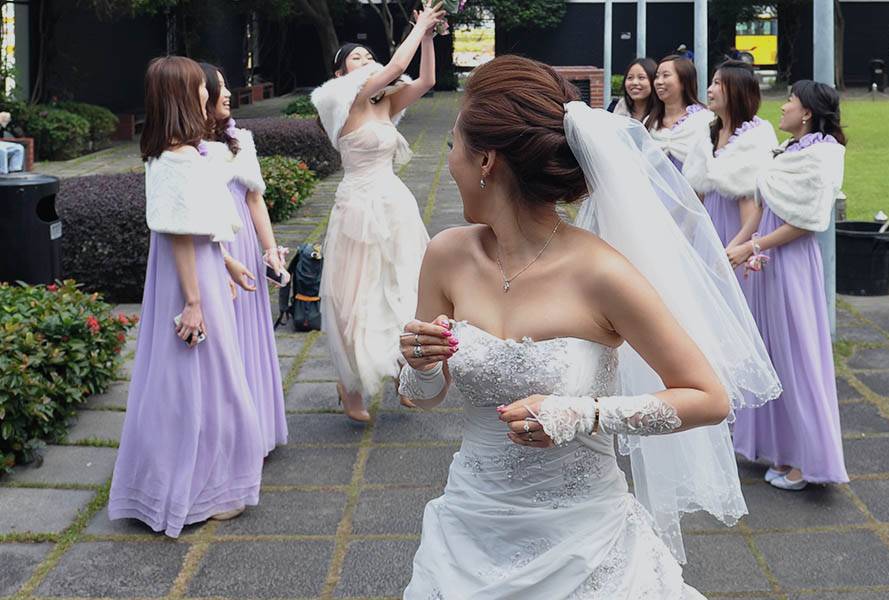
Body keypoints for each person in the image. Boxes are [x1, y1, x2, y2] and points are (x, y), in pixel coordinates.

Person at [397, 55, 779, 598]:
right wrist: (419, 364)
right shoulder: (446, 256)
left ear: (486, 160)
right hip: (469, 524)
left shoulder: (602, 272)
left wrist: (585, 412)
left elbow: (709, 397)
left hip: (584, 540)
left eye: (453, 145)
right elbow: (423, 396)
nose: (449, 159)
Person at [108, 56, 263, 536]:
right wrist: (194, 301)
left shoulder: (178, 153)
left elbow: (198, 226)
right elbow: (179, 234)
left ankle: (194, 482)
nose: (205, 92)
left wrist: (229, 263)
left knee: (193, 382)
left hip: (198, 272)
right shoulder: (176, 159)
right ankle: (202, 487)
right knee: (207, 382)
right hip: (189, 281)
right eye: (199, 87)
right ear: (181, 95)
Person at [311, 3, 445, 422]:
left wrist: (426, 38)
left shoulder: (383, 102)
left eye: (369, 58)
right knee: (357, 297)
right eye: (357, 58)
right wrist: (419, 22)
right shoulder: (338, 100)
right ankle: (349, 383)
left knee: (403, 288)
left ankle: (402, 371)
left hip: (395, 205)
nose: (368, 62)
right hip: (358, 208)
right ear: (340, 73)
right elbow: (394, 67)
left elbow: (426, 78)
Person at [729, 81, 849, 490]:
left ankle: (809, 462)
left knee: (799, 358)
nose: (783, 108)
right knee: (770, 353)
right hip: (765, 262)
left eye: (791, 102)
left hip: (791, 263)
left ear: (808, 113)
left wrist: (753, 246)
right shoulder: (788, 152)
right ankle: (780, 448)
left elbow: (806, 223)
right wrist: (736, 245)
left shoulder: (822, 156)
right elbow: (761, 207)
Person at [201, 62, 288, 455]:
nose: (227, 93)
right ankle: (223, 438)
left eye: (225, 85)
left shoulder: (242, 140)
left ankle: (256, 434)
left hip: (245, 251)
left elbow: (255, 199)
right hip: (211, 249)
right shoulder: (183, 150)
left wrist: (271, 252)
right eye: (217, 86)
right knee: (221, 343)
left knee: (250, 338)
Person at [683, 60, 777, 253]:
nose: (709, 90)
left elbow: (753, 201)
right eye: (712, 83)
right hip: (707, 227)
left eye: (717, 84)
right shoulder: (707, 134)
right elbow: (698, 192)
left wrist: (742, 248)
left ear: (736, 90)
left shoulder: (756, 138)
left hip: (735, 231)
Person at [647, 55, 714, 171]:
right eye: (657, 76)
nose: (659, 82)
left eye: (666, 75)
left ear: (684, 81)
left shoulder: (704, 119)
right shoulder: (650, 121)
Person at [612, 57, 660, 123]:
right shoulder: (618, 108)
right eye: (630, 78)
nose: (634, 82)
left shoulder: (663, 112)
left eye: (641, 77)